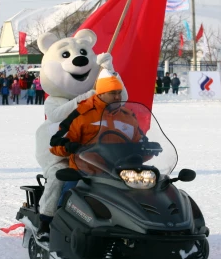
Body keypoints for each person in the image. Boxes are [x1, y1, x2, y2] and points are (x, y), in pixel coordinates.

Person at [36, 75, 142, 241]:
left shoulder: (127, 115)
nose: (117, 97)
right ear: (100, 93)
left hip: (119, 170)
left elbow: (138, 139)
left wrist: (148, 147)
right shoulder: (82, 113)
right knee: (68, 191)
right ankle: (50, 224)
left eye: (119, 92)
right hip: (85, 169)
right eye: (113, 93)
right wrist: (68, 146)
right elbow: (56, 141)